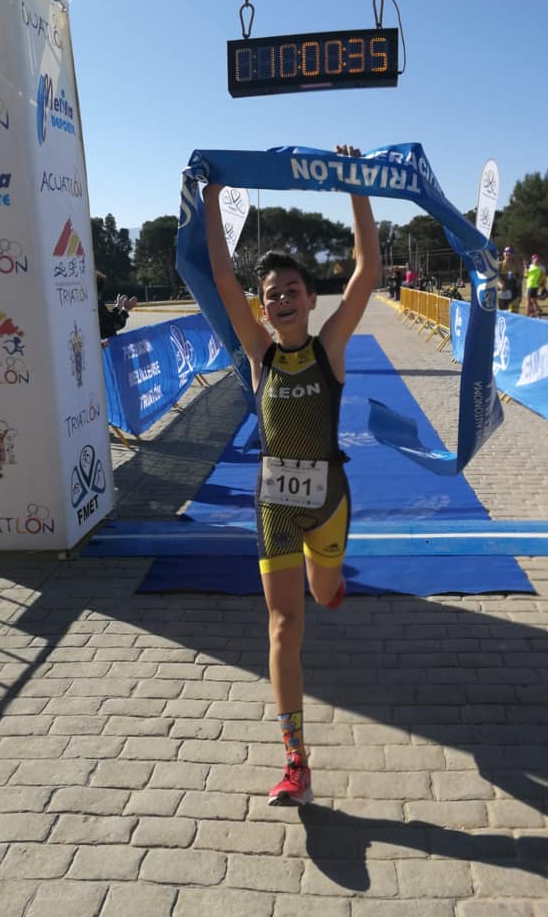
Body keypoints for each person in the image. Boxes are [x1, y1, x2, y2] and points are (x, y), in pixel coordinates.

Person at [204, 145, 380, 806]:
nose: (280, 300)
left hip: (329, 502)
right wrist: (211, 201)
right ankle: (296, 761)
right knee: (283, 627)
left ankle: (330, 582)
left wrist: (357, 187)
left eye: (290, 292)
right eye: (271, 294)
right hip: (274, 506)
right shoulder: (259, 354)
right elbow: (223, 281)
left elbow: (367, 271)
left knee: (323, 590)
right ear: (263, 306)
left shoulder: (329, 348)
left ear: (309, 299)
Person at [96, 270, 138, 339]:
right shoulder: (99, 306)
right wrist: (123, 309)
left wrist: (120, 308)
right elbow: (117, 324)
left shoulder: (104, 305)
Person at [524, 253, 546, 318]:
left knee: (528, 301)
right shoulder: (533, 267)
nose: (536, 261)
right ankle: (539, 311)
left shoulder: (538, 268)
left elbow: (526, 275)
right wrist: (526, 267)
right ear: (532, 260)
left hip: (531, 286)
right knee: (534, 301)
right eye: (535, 260)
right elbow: (526, 275)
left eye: (537, 260)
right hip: (533, 286)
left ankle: (527, 316)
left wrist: (525, 267)